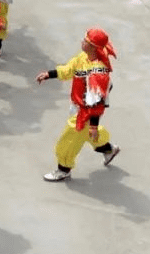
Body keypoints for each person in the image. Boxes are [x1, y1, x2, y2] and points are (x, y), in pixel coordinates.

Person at [35, 27, 121, 182]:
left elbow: (96, 103)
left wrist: (93, 125)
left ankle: (63, 169)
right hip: (77, 107)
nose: (82, 41)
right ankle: (109, 149)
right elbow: (69, 70)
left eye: (86, 41)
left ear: (93, 47)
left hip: (85, 113)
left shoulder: (97, 72)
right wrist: (49, 74)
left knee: (68, 142)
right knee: (89, 134)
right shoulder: (83, 58)